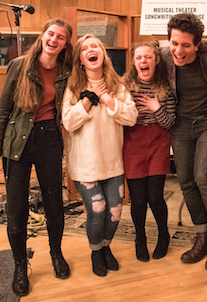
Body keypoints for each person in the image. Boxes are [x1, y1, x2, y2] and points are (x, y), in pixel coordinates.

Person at [0, 18, 74, 297]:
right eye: (51, 34)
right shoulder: (19, 66)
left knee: (54, 205)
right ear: (43, 35)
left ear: (64, 44)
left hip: (49, 138)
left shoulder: (67, 70)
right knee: (17, 211)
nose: (54, 40)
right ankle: (20, 265)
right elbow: (3, 110)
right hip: (17, 141)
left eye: (61, 37)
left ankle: (56, 254)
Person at [61, 34, 138, 277]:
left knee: (115, 212)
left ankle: (106, 247)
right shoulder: (73, 87)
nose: (90, 50)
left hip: (113, 163)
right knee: (97, 209)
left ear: (103, 54)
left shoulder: (117, 86)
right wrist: (86, 102)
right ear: (81, 60)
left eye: (95, 46)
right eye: (85, 48)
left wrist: (105, 98)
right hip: (85, 164)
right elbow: (68, 122)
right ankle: (96, 252)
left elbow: (131, 117)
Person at [161, 12, 207, 272]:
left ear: (198, 44)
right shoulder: (163, 56)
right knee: (186, 181)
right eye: (174, 43)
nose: (179, 51)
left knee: (204, 177)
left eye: (186, 45)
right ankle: (202, 235)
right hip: (181, 122)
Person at [123, 41, 177, 262]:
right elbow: (120, 119)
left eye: (147, 57)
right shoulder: (124, 86)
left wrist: (157, 108)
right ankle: (140, 238)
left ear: (156, 60)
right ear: (134, 62)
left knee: (155, 197)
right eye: (139, 58)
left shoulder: (167, 88)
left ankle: (163, 236)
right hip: (132, 143)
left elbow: (169, 123)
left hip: (158, 142)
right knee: (137, 200)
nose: (143, 61)